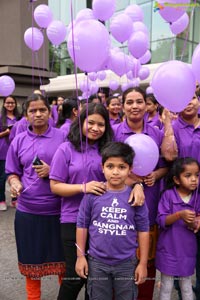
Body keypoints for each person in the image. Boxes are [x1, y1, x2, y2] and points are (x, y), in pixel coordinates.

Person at [50, 103, 144, 300]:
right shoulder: (66, 149)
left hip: (105, 221)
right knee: (75, 277)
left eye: (101, 124)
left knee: (95, 278)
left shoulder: (106, 149)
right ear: (81, 122)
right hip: (73, 219)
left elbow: (121, 176)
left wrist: (137, 186)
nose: (95, 128)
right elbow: (55, 185)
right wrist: (82, 188)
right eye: (90, 122)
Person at [5, 93, 66, 300]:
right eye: (33, 111)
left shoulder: (62, 137)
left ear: (50, 112)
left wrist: (54, 171)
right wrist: (15, 183)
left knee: (63, 263)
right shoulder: (19, 140)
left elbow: (75, 169)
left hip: (59, 211)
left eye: (42, 110)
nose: (38, 114)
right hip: (27, 212)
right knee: (30, 261)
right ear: (26, 115)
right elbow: (12, 171)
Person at [112, 87, 169, 300]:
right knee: (121, 257)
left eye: (139, 101)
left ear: (146, 105)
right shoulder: (114, 132)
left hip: (150, 202)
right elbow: (108, 166)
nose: (134, 106)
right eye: (129, 102)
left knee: (148, 258)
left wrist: (156, 173)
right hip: (120, 201)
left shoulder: (156, 132)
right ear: (123, 106)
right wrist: (132, 180)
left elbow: (165, 166)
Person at [75, 141, 149, 300]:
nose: (115, 172)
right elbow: (82, 225)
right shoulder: (93, 195)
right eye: (110, 166)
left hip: (126, 263)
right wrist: (80, 257)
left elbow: (143, 230)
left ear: (130, 169)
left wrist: (142, 263)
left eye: (121, 167)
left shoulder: (136, 198)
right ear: (102, 167)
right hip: (97, 262)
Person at [156, 157, 200, 300]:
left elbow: (197, 222)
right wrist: (179, 215)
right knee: (166, 287)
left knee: (186, 287)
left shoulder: (197, 197)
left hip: (187, 251)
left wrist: (195, 222)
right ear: (176, 180)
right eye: (188, 176)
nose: (194, 179)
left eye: (197, 175)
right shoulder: (168, 195)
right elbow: (162, 220)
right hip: (168, 249)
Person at [0, 95, 20, 210]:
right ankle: (1, 200)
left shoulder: (19, 118)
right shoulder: (1, 118)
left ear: (15, 104)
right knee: (2, 178)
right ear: (4, 104)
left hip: (16, 151)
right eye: (8, 103)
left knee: (16, 176)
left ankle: (15, 199)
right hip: (2, 151)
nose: (10, 105)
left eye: (12, 102)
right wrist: (6, 132)